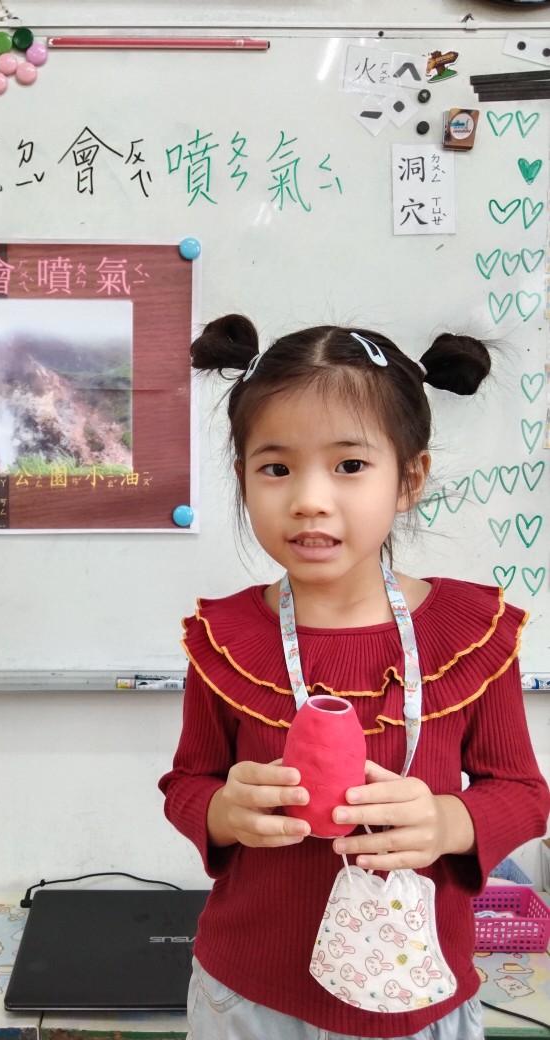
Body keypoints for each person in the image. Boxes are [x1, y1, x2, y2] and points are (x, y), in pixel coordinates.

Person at [159, 314, 550, 1040]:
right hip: (246, 997)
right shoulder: (225, 637)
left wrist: (449, 821)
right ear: (242, 478)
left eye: (349, 466)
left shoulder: (473, 633)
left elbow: (524, 796)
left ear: (409, 479)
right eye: (275, 468)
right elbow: (187, 783)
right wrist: (221, 812)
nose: (309, 498)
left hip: (415, 994)